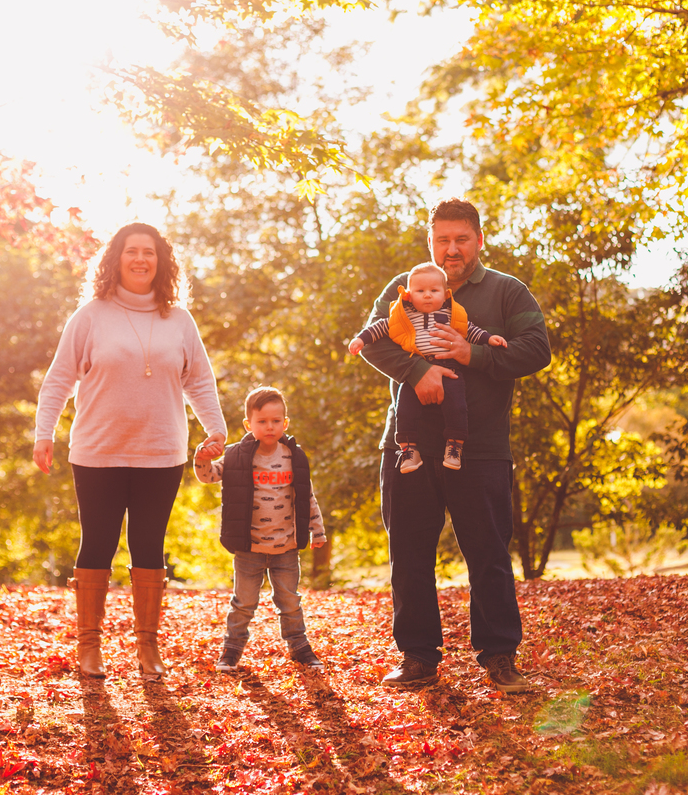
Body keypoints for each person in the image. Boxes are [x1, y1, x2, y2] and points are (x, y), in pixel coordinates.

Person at [357, 198, 551, 693]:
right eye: (442, 239)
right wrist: (418, 371)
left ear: (479, 240)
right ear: (430, 242)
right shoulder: (407, 289)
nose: (452, 249)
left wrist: (473, 353)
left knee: (488, 553)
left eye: (461, 238)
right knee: (409, 551)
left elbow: (536, 349)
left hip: (481, 447)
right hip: (409, 447)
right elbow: (373, 341)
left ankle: (500, 658)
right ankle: (418, 657)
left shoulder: (507, 291)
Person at [33, 222, 227, 680]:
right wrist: (45, 433)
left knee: (148, 546)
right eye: (131, 251)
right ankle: (89, 648)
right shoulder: (90, 316)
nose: (141, 259)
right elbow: (59, 379)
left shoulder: (178, 319)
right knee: (97, 542)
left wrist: (215, 428)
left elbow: (198, 379)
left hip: (161, 452)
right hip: (98, 450)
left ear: (161, 262)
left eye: (149, 252)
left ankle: (147, 650)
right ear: (115, 259)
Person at [193, 386, 327, 672]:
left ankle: (300, 648)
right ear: (248, 424)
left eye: (276, 421)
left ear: (285, 423)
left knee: (290, 601)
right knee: (243, 603)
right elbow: (208, 476)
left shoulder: (294, 457)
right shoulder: (236, 456)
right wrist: (202, 457)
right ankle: (230, 651)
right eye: (262, 421)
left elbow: (306, 496)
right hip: (249, 547)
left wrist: (318, 530)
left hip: (287, 547)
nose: (269, 426)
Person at [348, 261, 507, 473]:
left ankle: (455, 445)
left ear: (445, 294)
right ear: (409, 294)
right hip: (417, 366)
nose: (427, 295)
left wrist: (489, 339)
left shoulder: (452, 314)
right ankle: (407, 450)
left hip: (449, 367)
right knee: (403, 408)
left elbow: (470, 330)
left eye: (434, 290)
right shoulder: (403, 314)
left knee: (457, 406)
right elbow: (380, 327)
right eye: (420, 291)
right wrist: (360, 340)